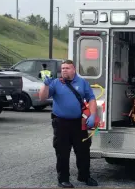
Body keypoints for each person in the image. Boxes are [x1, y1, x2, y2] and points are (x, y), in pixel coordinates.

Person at [39, 60, 98, 188]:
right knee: (62, 152)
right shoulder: (55, 83)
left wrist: (93, 115)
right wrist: (45, 85)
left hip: (78, 122)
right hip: (61, 123)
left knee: (83, 151)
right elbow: (42, 97)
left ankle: (84, 176)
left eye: (67, 68)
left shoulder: (82, 83)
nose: (64, 70)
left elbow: (91, 98)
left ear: (74, 69)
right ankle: (63, 179)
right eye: (63, 68)